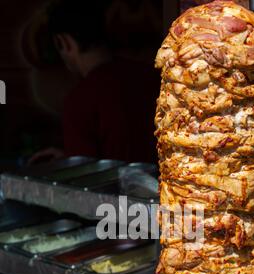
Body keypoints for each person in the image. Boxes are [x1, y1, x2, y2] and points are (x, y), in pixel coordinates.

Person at [29, 0, 161, 165]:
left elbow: (83, 175)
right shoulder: (151, 76)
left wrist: (69, 161)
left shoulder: (80, 100)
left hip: (115, 189)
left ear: (64, 42)